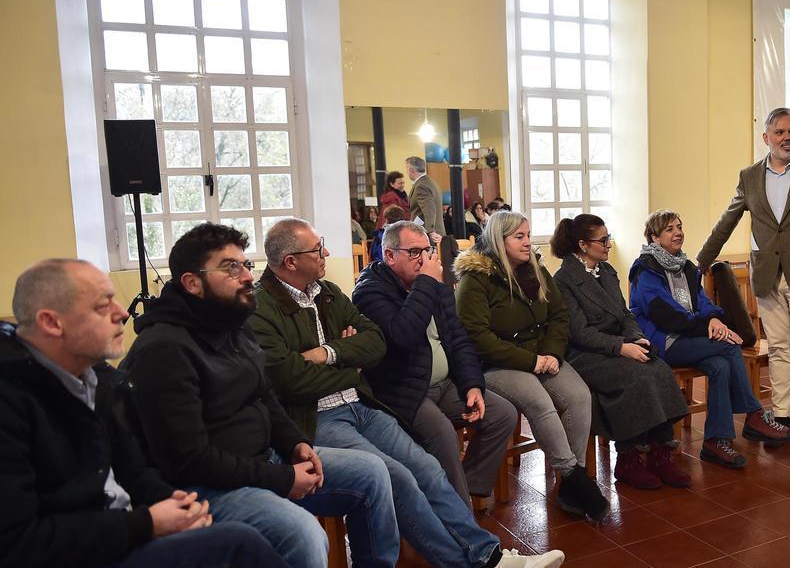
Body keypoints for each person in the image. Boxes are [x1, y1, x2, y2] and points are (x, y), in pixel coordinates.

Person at [251, 218, 563, 568]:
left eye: (426, 250)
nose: (326, 252)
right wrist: (348, 363)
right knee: (399, 474)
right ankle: (477, 562)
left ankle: (486, 554)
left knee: (427, 468)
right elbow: (288, 379)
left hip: (360, 404)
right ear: (291, 261)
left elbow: (375, 345)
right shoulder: (265, 306)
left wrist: (328, 354)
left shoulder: (327, 292)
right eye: (317, 248)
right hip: (321, 415)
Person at [120, 223, 400, 568]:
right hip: (207, 487)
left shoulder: (232, 323)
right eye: (230, 268)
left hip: (263, 461)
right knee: (302, 533)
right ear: (192, 283)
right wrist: (283, 479)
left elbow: (264, 395)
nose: (247, 276)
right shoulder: (164, 349)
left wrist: (295, 444)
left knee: (371, 473)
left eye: (246, 265)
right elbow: (189, 460)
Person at [0, 259, 286, 568]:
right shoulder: (11, 400)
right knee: (240, 544)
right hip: (82, 552)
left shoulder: (98, 379)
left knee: (242, 534)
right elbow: (17, 543)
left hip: (120, 531)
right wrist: (146, 523)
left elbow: (133, 471)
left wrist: (173, 502)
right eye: (102, 306)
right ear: (51, 322)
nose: (122, 313)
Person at [696, 106, 790, 448]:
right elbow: (728, 221)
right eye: (780, 132)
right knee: (778, 348)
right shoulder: (749, 176)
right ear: (766, 138)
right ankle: (780, 416)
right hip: (766, 276)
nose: (787, 138)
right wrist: (701, 260)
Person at [454, 211, 609, 521]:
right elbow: (478, 338)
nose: (528, 242)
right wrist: (531, 361)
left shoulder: (534, 269)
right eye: (519, 237)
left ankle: (571, 483)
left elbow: (559, 315)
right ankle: (574, 477)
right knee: (540, 402)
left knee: (579, 396)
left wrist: (551, 352)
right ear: (499, 241)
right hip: (496, 362)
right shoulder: (476, 279)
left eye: (528, 235)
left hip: (541, 354)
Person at [353, 220, 519, 505]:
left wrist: (472, 385)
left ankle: (463, 488)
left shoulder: (433, 285)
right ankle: (460, 515)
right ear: (390, 255)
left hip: (445, 384)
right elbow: (403, 335)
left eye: (427, 250)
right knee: (443, 435)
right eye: (414, 252)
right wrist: (426, 284)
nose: (424, 259)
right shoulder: (370, 291)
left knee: (503, 414)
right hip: (402, 389)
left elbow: (458, 339)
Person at [630, 210, 790, 469]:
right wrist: (706, 326)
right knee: (729, 346)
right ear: (654, 237)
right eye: (670, 229)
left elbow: (703, 301)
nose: (678, 233)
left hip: (690, 338)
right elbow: (665, 315)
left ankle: (715, 442)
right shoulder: (645, 269)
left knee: (720, 365)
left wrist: (715, 319)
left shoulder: (685, 266)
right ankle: (753, 414)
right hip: (664, 342)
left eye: (679, 227)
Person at [550, 214, 692, 490]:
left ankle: (660, 453)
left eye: (608, 238)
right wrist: (620, 347)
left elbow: (625, 314)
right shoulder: (564, 280)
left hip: (617, 344)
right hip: (584, 354)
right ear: (583, 245)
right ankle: (628, 458)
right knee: (636, 377)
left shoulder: (606, 271)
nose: (608, 245)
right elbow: (579, 332)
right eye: (602, 240)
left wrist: (637, 338)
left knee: (659, 368)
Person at [409, 156, 447, 235]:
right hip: (432, 231)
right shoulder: (430, 182)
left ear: (411, 170)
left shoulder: (421, 186)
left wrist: (430, 231)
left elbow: (429, 210)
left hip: (427, 234)